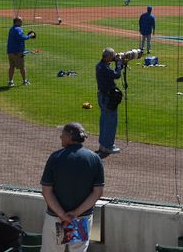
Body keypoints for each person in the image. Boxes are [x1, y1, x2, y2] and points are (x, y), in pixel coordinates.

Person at [40, 122, 104, 252]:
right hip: (81, 218)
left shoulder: (55, 158)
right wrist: (74, 214)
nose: (60, 137)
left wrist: (63, 215)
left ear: (69, 137)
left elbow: (47, 192)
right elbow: (97, 192)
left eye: (62, 134)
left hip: (56, 218)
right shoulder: (94, 159)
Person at [96, 48, 128, 154]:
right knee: (111, 121)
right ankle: (107, 146)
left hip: (102, 97)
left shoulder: (99, 65)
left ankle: (103, 144)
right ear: (108, 57)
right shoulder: (105, 67)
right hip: (108, 98)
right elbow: (117, 75)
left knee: (104, 120)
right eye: (113, 55)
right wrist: (119, 63)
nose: (114, 57)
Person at [7, 17, 34, 87]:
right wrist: (29, 36)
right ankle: (25, 81)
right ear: (16, 22)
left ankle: (10, 82)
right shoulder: (18, 29)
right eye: (20, 21)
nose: (21, 22)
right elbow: (20, 38)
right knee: (22, 67)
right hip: (16, 52)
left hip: (10, 51)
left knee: (11, 67)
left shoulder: (12, 29)